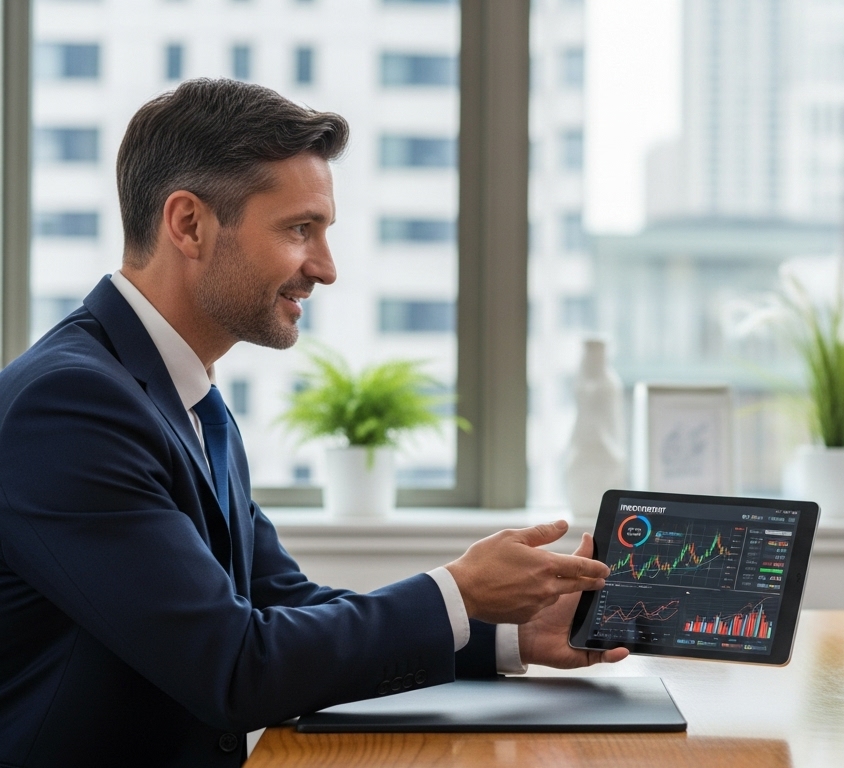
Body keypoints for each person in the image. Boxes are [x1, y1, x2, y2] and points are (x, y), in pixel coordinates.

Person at [0, 79, 624, 767]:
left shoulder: (185, 396)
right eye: (300, 229)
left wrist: (509, 633)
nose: (325, 269)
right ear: (189, 225)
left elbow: (282, 606)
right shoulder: (69, 406)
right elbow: (235, 665)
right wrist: (460, 589)